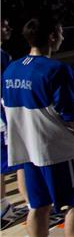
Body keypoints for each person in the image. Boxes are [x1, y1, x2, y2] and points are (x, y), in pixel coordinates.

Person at [2, 17, 74, 237]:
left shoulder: (11, 70)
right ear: (52, 36)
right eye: (61, 33)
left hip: (29, 151)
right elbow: (72, 112)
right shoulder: (57, 70)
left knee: (38, 206)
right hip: (60, 151)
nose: (63, 37)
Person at [1, 18, 28, 226]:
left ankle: (2, 208)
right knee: (21, 160)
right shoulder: (2, 57)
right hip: (4, 120)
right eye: (4, 25)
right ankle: (35, 206)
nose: (8, 28)